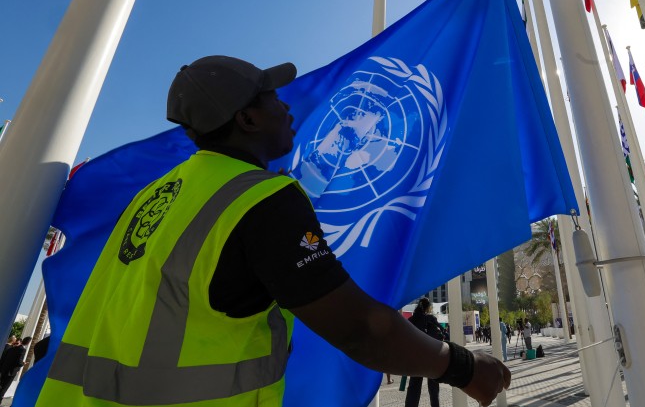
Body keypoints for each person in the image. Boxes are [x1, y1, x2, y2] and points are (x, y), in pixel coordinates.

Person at [35, 56, 510, 406]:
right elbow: (363, 329)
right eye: (273, 100)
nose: (287, 109)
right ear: (245, 118)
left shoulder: (155, 196)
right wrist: (466, 367)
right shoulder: (260, 199)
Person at [405, 298, 447, 407]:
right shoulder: (431, 319)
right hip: (432, 357)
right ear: (428, 308)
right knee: (433, 388)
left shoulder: (412, 320)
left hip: (417, 358)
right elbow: (443, 334)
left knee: (414, 386)